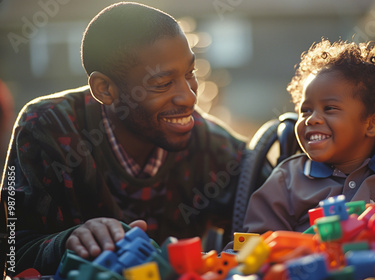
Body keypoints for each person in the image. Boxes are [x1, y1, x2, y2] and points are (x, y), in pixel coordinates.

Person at [0, 2, 246, 276]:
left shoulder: (213, 146)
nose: (189, 97)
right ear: (105, 89)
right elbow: (9, 252)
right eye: (163, 84)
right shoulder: (47, 128)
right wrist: (66, 242)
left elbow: (279, 217)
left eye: (190, 73)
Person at [242, 39, 375, 234]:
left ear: (372, 124)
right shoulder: (287, 179)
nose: (311, 119)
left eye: (330, 108)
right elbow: (255, 243)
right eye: (305, 110)